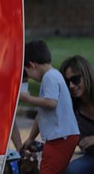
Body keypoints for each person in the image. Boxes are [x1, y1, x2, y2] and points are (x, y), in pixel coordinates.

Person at [19, 39, 80, 174]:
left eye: (26, 73)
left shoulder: (50, 77)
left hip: (61, 138)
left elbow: (51, 103)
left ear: (32, 65)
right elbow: (42, 114)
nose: (28, 78)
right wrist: (31, 138)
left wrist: (27, 98)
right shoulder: (52, 76)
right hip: (60, 137)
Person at [60, 55, 94, 174]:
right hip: (91, 157)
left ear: (86, 76)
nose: (71, 86)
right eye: (67, 82)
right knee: (70, 170)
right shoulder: (72, 107)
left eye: (75, 80)